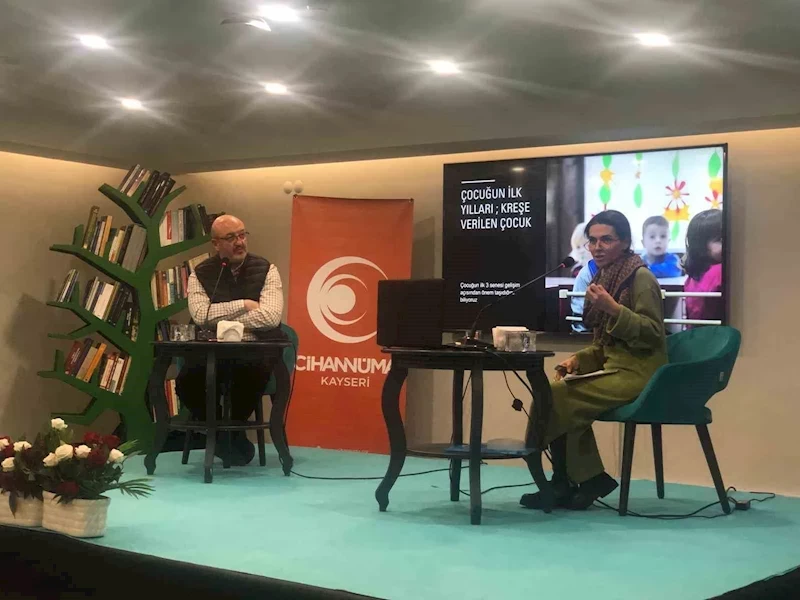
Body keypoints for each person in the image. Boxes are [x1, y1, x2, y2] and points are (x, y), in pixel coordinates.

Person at [521, 210, 667, 511]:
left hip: (642, 373)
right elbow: (606, 344)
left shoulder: (640, 277)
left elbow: (653, 335)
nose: (598, 247)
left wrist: (614, 309)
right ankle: (574, 481)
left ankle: (571, 482)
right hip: (616, 369)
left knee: (558, 395)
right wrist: (580, 359)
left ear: (624, 242)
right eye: (593, 241)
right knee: (556, 396)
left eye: (607, 240)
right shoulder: (604, 276)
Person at [176, 215, 285, 465]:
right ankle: (223, 436)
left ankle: (226, 436)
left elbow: (270, 317)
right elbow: (201, 316)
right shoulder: (200, 274)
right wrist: (244, 304)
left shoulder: (267, 269)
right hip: (211, 351)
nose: (239, 242)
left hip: (254, 350)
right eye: (231, 237)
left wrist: (223, 319)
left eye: (242, 235)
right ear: (216, 244)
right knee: (186, 382)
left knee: (249, 375)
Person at [683, 209, 724, 323]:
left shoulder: (693, 276)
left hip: (697, 331)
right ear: (702, 246)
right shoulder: (720, 271)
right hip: (715, 331)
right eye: (720, 239)